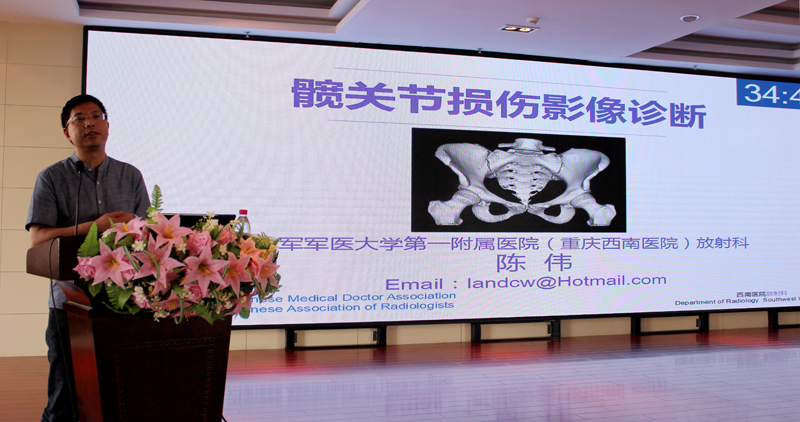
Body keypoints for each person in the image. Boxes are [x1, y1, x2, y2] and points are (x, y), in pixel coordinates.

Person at [26, 94, 150, 422]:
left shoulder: (130, 176)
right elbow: (38, 238)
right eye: (79, 119)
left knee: (118, 394)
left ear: (107, 125)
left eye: (96, 116)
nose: (89, 123)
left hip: (123, 301)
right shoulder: (51, 177)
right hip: (70, 300)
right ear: (67, 133)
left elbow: (149, 234)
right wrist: (93, 227)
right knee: (64, 398)